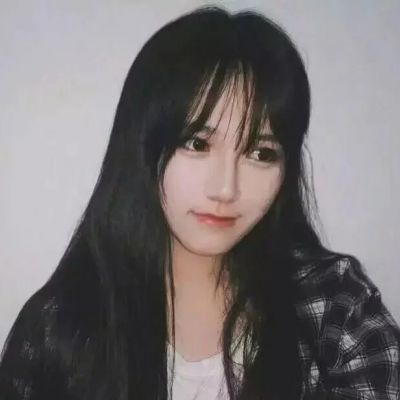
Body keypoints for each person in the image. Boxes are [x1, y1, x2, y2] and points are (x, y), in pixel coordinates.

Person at [0, 5, 399, 400]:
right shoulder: (61, 328)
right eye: (197, 144)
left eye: (260, 153)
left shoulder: (335, 308)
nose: (226, 189)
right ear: (142, 145)